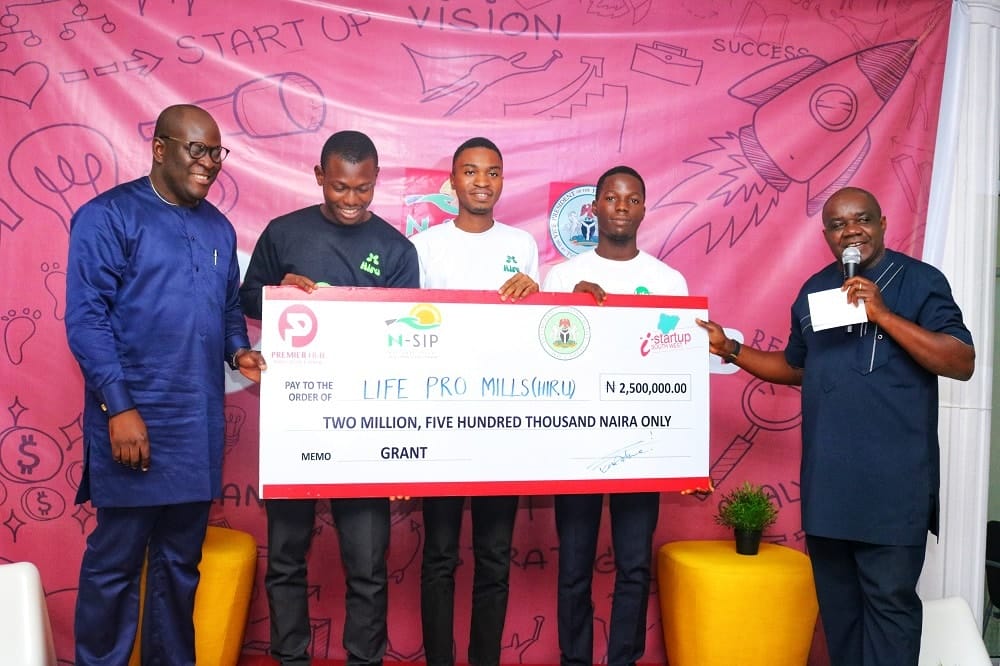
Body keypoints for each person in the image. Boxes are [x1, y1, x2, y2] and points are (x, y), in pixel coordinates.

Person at [696, 186, 974, 666]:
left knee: (889, 615)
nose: (851, 231)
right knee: (840, 622)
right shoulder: (813, 291)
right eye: (838, 224)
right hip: (828, 491)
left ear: (882, 223)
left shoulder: (920, 281)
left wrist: (883, 314)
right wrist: (732, 350)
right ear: (826, 234)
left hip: (894, 491)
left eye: (861, 219)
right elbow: (796, 367)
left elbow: (961, 360)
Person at [65, 104, 266, 665]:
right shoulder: (107, 217)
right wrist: (119, 408)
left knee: (180, 566)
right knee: (115, 564)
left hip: (196, 427)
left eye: (216, 153)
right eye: (196, 149)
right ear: (160, 149)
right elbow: (86, 320)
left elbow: (228, 307)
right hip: (134, 421)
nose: (209, 163)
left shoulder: (219, 228)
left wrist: (238, 350)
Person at [239, 130, 418, 666]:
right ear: (320, 177)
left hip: (365, 429)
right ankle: (291, 658)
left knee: (367, 566)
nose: (351, 199)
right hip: (296, 421)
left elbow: (409, 347)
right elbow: (248, 297)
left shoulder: (397, 250)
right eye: (340, 187)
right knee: (286, 559)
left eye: (363, 188)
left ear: (376, 179)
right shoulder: (283, 232)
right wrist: (280, 291)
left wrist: (400, 449)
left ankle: (364, 659)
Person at [541, 165, 688, 666]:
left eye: (632, 199)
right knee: (574, 566)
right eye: (611, 198)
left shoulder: (667, 281)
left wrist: (683, 452)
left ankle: (623, 659)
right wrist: (570, 306)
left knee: (634, 565)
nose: (621, 207)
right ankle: (575, 660)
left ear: (643, 208)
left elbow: (678, 370)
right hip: (578, 441)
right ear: (594, 207)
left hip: (641, 442)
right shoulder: (563, 277)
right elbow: (545, 359)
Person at [409, 137, 539, 666]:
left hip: (502, 424)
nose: (482, 181)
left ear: (502, 180)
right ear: (453, 180)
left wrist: (536, 295)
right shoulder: (424, 247)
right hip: (440, 421)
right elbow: (407, 332)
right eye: (470, 171)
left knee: (494, 557)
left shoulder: (523, 246)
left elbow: (536, 333)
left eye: (492, 172)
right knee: (439, 556)